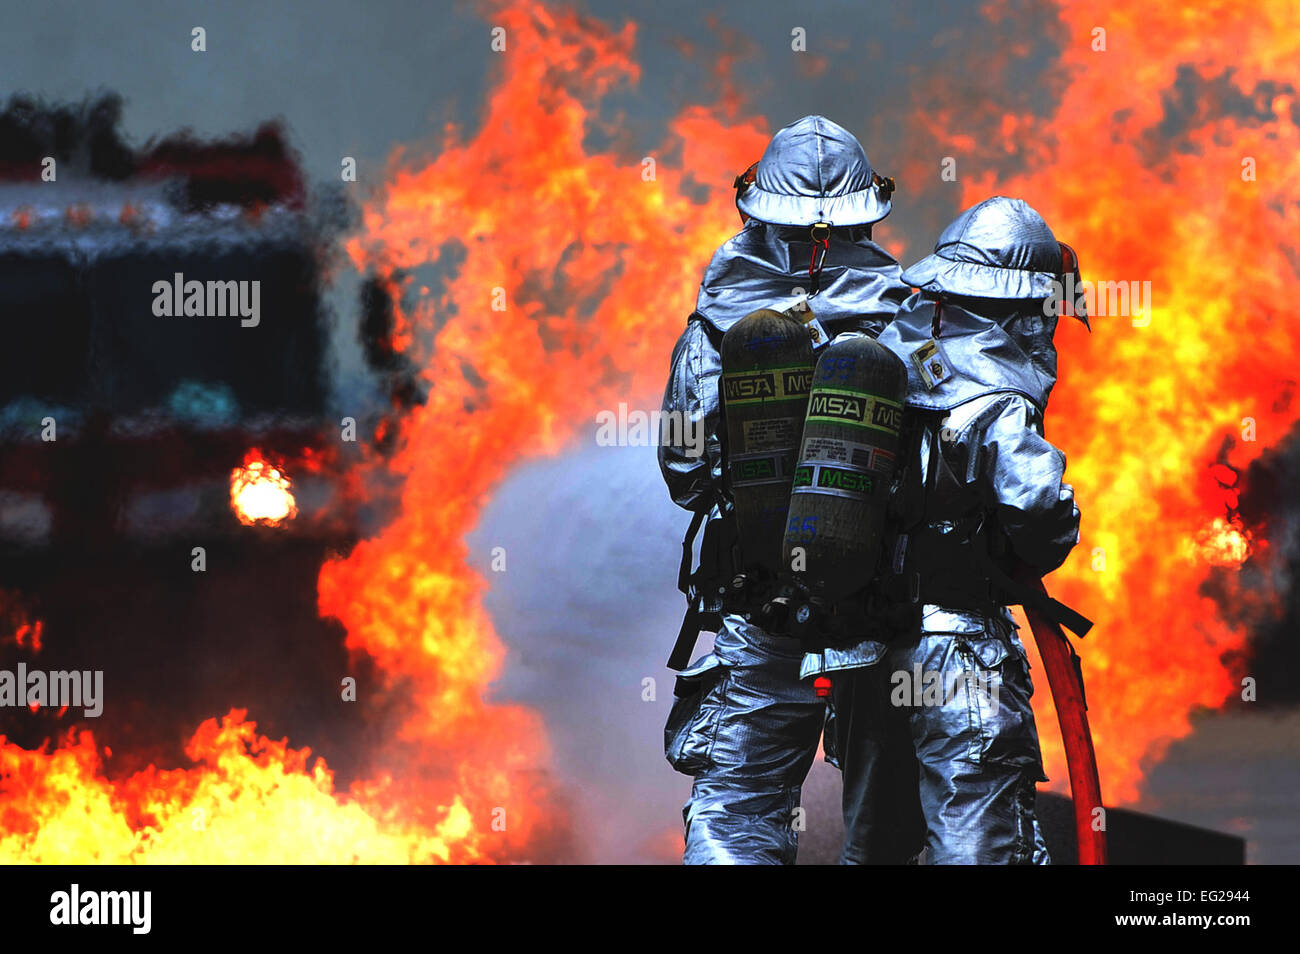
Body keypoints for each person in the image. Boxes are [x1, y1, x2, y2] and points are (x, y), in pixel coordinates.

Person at [803, 196, 1089, 864]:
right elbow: (1041, 518)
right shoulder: (999, 393)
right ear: (1023, 307)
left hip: (867, 647)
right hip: (958, 652)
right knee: (980, 836)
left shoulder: (882, 363)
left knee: (876, 840)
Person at [658, 115, 909, 864]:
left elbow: (681, 468)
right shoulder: (908, 318)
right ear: (870, 213)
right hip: (880, 612)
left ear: (753, 209)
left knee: (737, 813)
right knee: (885, 826)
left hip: (759, 604)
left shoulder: (712, 330)